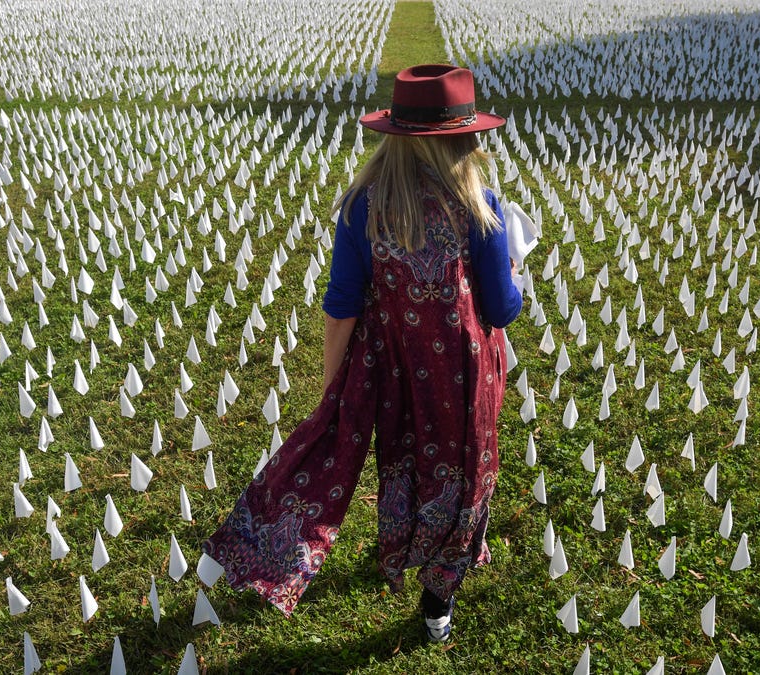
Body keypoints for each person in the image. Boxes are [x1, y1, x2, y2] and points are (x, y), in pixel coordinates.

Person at [202, 64, 522, 644]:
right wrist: (514, 272)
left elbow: (341, 306)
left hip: (395, 371)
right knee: (466, 472)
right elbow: (501, 311)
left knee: (403, 461)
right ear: (465, 140)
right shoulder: (483, 211)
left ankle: (395, 551)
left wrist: (334, 387)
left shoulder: (362, 207)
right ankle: (437, 596)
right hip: (465, 373)